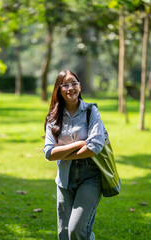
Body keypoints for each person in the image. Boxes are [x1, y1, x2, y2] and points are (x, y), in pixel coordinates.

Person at [44, 69, 106, 240]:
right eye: (65, 84)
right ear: (59, 89)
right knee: (64, 234)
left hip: (90, 177)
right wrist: (80, 144)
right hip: (64, 179)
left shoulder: (91, 111)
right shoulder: (53, 118)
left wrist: (63, 154)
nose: (71, 88)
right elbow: (49, 153)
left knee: (77, 230)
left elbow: (95, 146)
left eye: (74, 83)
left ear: (80, 86)